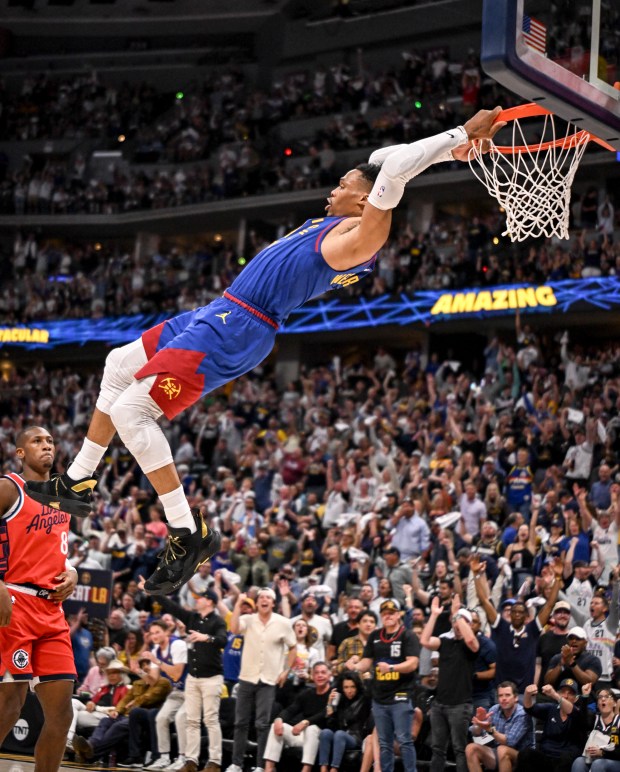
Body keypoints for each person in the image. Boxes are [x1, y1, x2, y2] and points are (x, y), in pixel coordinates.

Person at [24, 108, 506, 596]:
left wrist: (461, 132)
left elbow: (394, 171)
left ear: (364, 198)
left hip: (239, 326)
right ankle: (79, 479)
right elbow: (385, 159)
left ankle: (187, 532)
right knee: (117, 364)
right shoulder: (345, 216)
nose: (331, 190)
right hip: (222, 310)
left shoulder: (364, 235)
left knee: (132, 411)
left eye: (341, 185)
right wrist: (453, 150)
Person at [0, 426, 79, 772]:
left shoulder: (63, 495)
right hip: (16, 603)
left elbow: (55, 550)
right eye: (37, 441)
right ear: (20, 452)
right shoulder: (9, 488)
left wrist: (72, 571)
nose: (46, 445)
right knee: (9, 704)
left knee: (62, 715)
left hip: (52, 610)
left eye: (49, 441)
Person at [225, 587, 297, 772]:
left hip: (268, 680)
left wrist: (286, 670)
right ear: (256, 603)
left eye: (268, 598)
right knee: (240, 722)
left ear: (273, 603)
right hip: (247, 677)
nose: (264, 600)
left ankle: (260, 766)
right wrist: (238, 604)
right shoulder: (248, 619)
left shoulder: (283, 623)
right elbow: (234, 628)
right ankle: (236, 764)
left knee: (262, 724)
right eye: (261, 598)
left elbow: (293, 647)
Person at [156, 587, 228, 772]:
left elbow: (223, 640)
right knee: (192, 721)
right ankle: (191, 761)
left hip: (212, 677)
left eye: (200, 598)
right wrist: (152, 591)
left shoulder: (218, 621)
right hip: (193, 677)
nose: (196, 600)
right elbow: (172, 607)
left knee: (211, 720)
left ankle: (215, 761)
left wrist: (206, 637)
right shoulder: (192, 618)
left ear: (210, 601)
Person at [350, 598, 420, 772]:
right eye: (385, 614)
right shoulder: (375, 636)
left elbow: (413, 663)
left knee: (404, 740)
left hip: (401, 695)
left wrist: (391, 667)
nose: (388, 616)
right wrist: (355, 666)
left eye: (391, 613)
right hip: (380, 697)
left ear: (398, 615)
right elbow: (366, 662)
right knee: (384, 742)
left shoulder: (407, 635)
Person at [420, 595, 480, 772]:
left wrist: (457, 614)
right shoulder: (445, 641)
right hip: (440, 704)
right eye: (455, 621)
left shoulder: (472, 645)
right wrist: (433, 615)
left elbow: (471, 641)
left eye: (463, 622)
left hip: (460, 705)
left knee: (459, 749)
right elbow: (424, 641)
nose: (458, 624)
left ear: (469, 625)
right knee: (437, 749)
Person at [263, 661, 332, 772]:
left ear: (329, 675)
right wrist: (279, 719)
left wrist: (305, 722)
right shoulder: (307, 693)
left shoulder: (333, 693)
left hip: (322, 737)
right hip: (304, 735)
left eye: (323, 672)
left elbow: (326, 713)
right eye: (316, 673)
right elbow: (291, 710)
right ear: (312, 676)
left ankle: (306, 769)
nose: (320, 675)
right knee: (276, 725)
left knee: (311, 728)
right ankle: (268, 769)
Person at [518, 680, 589, 772]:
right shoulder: (551, 708)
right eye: (562, 692)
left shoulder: (578, 714)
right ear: (559, 693)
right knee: (526, 754)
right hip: (547, 756)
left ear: (576, 698)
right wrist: (527, 694)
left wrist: (555, 695)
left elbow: (573, 711)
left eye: (570, 693)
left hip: (565, 758)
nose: (565, 696)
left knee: (565, 759)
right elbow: (529, 709)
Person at [465, 680, 535, 772]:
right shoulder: (495, 709)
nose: (503, 698)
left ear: (516, 698)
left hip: (523, 758)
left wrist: (490, 730)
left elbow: (510, 742)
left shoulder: (522, 714)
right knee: (471, 748)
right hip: (499, 752)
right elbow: (477, 734)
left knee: (502, 750)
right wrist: (479, 724)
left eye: (507, 695)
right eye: (501, 696)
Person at [318, 671, 371, 772]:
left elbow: (369, 692)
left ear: (357, 687)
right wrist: (329, 705)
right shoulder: (340, 701)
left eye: (352, 687)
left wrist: (367, 679)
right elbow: (331, 725)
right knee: (325, 733)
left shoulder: (364, 699)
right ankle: (323, 768)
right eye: (346, 687)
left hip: (355, 737)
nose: (349, 691)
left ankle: (334, 769)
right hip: (339, 735)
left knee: (339, 734)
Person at [571, 684, 620, 771]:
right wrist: (585, 696)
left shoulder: (618, 722)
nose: (603, 699)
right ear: (597, 704)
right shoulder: (594, 719)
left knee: (598, 764)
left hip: (616, 761)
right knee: (579, 761)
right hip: (595, 759)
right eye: (600, 697)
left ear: (615, 703)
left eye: (607, 697)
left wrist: (603, 753)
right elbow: (582, 718)